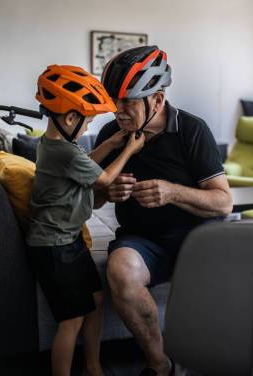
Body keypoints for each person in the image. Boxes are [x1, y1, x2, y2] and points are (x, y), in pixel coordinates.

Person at [93, 46, 233, 376]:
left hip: (195, 239)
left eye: (128, 100)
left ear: (157, 99)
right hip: (141, 241)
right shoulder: (111, 134)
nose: (119, 110)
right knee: (121, 272)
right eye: (115, 99)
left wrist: (171, 192)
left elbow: (224, 202)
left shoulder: (192, 130)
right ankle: (160, 366)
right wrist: (107, 191)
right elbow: (94, 202)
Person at [27, 65, 145, 376]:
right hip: (54, 247)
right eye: (87, 122)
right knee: (72, 320)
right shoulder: (64, 152)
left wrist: (110, 144)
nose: (87, 128)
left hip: (69, 240)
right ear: (69, 118)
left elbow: (83, 164)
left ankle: (93, 367)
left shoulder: (54, 144)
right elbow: (105, 178)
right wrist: (130, 148)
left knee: (94, 301)